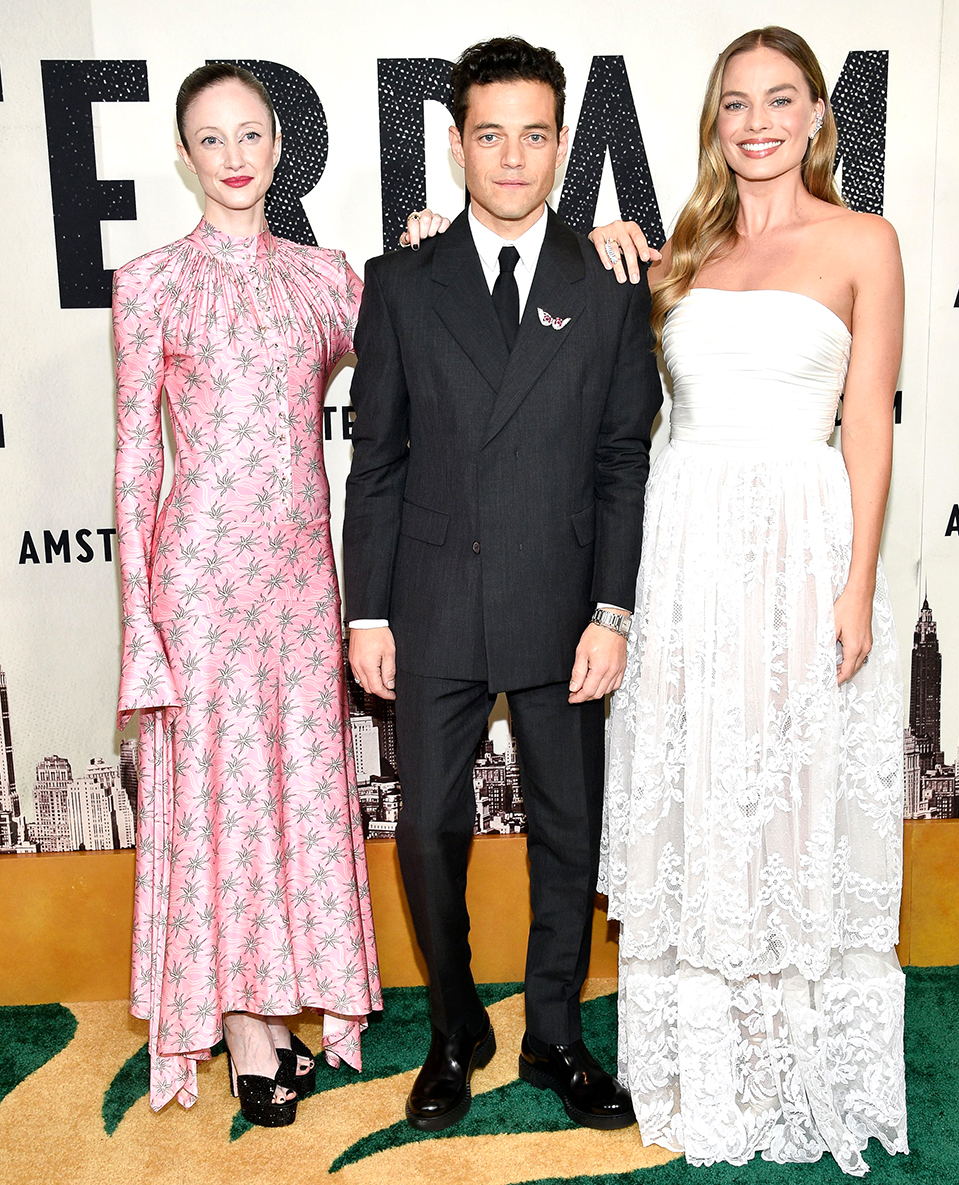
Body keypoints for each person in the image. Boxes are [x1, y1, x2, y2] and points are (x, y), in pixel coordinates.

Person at [588, 26, 908, 1175]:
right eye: (736, 103)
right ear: (714, 121)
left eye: (781, 100)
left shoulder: (864, 240)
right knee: (702, 780)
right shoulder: (684, 243)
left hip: (799, 535)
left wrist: (858, 580)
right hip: (682, 543)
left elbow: (866, 420)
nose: (758, 121)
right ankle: (700, 1069)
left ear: (820, 114)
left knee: (792, 781)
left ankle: (798, 1067)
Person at [344, 37, 662, 1133]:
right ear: (456, 144)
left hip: (563, 607)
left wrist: (612, 611)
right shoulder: (399, 280)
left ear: (564, 143)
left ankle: (556, 1036)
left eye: (535, 135)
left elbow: (625, 461)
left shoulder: (610, 284)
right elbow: (374, 457)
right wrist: (368, 610)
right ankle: (451, 1029)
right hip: (428, 606)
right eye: (490, 135)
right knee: (428, 832)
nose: (513, 158)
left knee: (568, 827)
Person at [113, 63, 381, 1125]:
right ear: (185, 156)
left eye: (251, 135)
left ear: (279, 148)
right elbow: (136, 462)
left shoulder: (326, 279)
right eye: (211, 139)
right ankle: (241, 1026)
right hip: (203, 582)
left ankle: (276, 1002)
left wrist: (425, 252)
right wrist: (141, 622)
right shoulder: (151, 285)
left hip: (300, 580)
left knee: (293, 796)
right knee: (219, 795)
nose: (233, 156)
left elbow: (422, 347)